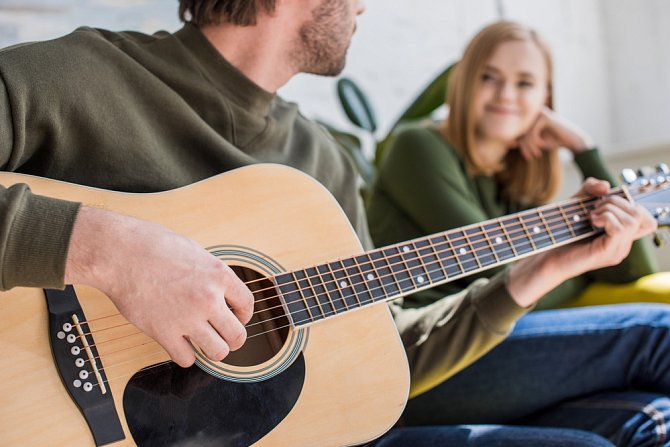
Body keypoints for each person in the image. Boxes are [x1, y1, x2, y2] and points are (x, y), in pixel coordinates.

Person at [0, 3, 666, 446]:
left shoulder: (321, 164)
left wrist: (533, 274)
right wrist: (105, 250)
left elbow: (385, 350)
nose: (364, 6)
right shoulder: (78, 80)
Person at [367, 20, 667, 311]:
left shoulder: (518, 171)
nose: (505, 95)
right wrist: (582, 269)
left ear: (544, 96)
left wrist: (583, 148)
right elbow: (506, 284)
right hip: (429, 339)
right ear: (463, 83)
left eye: (524, 82)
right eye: (488, 77)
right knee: (655, 333)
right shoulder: (416, 146)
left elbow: (632, 272)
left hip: (492, 334)